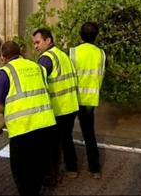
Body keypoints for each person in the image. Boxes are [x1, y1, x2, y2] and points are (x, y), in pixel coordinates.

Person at [0, 41, 57, 195]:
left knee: (21, 170)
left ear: (3, 57)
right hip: (45, 124)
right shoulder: (38, 67)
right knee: (39, 165)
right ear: (20, 53)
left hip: (23, 128)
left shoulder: (5, 72)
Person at [32, 28, 79, 183]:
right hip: (71, 105)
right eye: (34, 43)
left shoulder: (46, 59)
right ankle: (72, 169)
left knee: (52, 144)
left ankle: (52, 175)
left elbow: (38, 85)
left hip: (58, 108)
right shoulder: (62, 55)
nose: (35, 46)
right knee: (66, 139)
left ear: (48, 40)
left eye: (38, 42)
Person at [69, 22, 106, 179]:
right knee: (89, 135)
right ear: (96, 36)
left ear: (81, 35)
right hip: (90, 100)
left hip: (72, 98)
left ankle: (71, 169)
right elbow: (101, 75)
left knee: (66, 135)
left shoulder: (73, 52)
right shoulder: (101, 54)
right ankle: (95, 169)